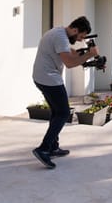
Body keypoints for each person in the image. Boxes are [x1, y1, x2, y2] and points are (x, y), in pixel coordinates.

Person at [32, 16, 100, 169]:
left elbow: (72, 54)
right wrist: (90, 54)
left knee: (57, 112)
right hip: (49, 78)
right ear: (75, 30)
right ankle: (43, 149)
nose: (80, 39)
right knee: (63, 113)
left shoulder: (59, 32)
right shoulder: (60, 37)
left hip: (42, 77)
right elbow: (69, 63)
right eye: (80, 36)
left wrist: (86, 53)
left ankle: (53, 147)